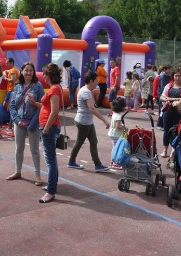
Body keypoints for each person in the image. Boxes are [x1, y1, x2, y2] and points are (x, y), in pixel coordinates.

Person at [6, 62, 45, 185]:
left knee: (35, 150)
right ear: (21, 71)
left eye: (31, 70)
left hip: (32, 123)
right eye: (26, 70)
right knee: (19, 148)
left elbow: (43, 106)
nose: (28, 72)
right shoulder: (18, 86)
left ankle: (37, 175)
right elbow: (12, 106)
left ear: (33, 72)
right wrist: (17, 120)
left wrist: (33, 123)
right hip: (19, 123)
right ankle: (18, 171)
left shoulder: (38, 86)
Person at [67, 70, 110, 172]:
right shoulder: (86, 92)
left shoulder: (85, 90)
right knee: (80, 142)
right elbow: (92, 109)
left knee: (93, 141)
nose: (97, 83)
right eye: (96, 81)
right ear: (91, 81)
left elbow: (91, 107)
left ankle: (97, 164)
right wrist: (104, 120)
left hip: (87, 122)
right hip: (83, 122)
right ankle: (72, 161)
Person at [37, 63, 63, 204]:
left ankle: (51, 191)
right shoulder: (55, 88)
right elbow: (48, 108)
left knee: (50, 160)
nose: (43, 76)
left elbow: (54, 111)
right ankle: (52, 185)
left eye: (44, 74)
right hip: (50, 125)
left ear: (48, 76)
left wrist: (46, 128)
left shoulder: (54, 89)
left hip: (49, 127)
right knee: (51, 159)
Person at [159, 69, 181, 157]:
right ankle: (165, 149)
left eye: (179, 76)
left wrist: (171, 99)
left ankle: (174, 149)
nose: (177, 78)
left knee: (177, 130)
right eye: (176, 76)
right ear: (173, 76)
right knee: (166, 130)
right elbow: (162, 97)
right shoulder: (168, 86)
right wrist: (170, 99)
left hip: (179, 112)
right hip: (168, 111)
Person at [108, 97, 127, 169]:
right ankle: (115, 163)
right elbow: (118, 126)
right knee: (116, 148)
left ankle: (113, 161)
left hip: (113, 134)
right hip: (116, 134)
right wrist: (124, 128)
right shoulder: (119, 116)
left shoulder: (114, 114)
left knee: (114, 147)